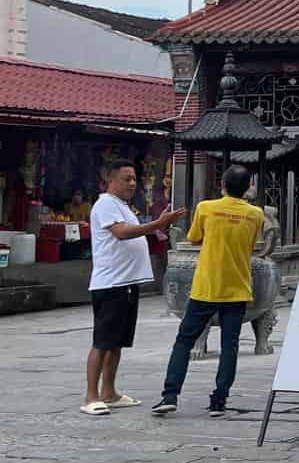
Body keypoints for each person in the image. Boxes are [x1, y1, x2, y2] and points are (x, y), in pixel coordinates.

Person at [152, 164, 264, 417]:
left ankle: (170, 395)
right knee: (230, 346)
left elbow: (194, 238)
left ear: (222, 185)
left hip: (206, 287)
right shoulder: (255, 214)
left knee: (184, 341)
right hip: (237, 289)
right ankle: (219, 401)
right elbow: (253, 243)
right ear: (248, 188)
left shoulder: (206, 208)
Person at [83, 158, 185, 416]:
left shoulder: (123, 205)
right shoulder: (105, 203)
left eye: (133, 179)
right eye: (125, 178)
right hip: (111, 283)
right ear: (110, 180)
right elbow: (122, 232)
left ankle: (109, 392)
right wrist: (156, 225)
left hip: (127, 283)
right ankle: (91, 396)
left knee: (117, 342)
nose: (131, 183)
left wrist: (154, 226)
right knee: (102, 341)